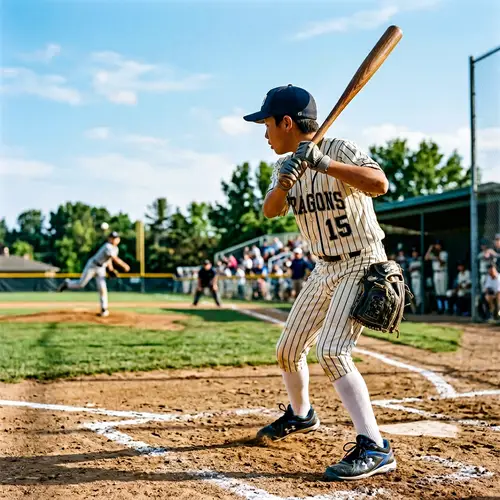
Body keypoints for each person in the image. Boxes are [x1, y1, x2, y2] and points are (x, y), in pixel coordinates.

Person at [243, 85, 395, 481]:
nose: (265, 134)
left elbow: (380, 184)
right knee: (288, 348)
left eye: (268, 125)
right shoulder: (283, 166)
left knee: (331, 350)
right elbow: (270, 211)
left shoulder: (340, 149)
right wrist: (285, 183)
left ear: (287, 123)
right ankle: (301, 414)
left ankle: (375, 446)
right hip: (324, 267)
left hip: (362, 261)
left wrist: (324, 163)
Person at [58, 231, 130, 317]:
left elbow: (108, 260)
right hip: (92, 266)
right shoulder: (108, 246)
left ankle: (104, 309)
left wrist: (111, 269)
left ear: (119, 239)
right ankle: (67, 284)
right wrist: (124, 265)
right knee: (81, 284)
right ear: (109, 239)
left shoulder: (115, 249)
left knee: (102, 288)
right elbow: (113, 258)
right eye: (112, 238)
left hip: (101, 268)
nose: (114, 239)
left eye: (116, 238)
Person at [425, 240, 448, 314]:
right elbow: (426, 258)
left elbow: (442, 263)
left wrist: (437, 256)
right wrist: (430, 249)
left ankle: (446, 308)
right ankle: (440, 308)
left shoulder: (444, 253)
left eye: (438, 245)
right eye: (436, 245)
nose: (437, 246)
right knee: (438, 292)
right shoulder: (433, 253)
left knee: (443, 291)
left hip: (442, 273)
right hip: (436, 273)